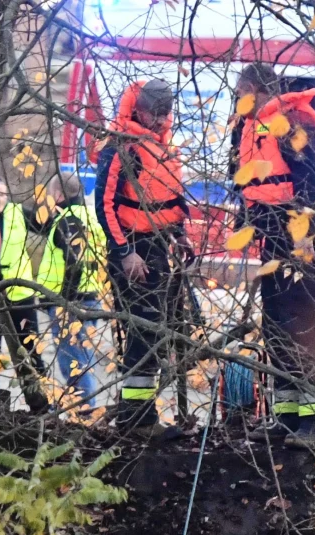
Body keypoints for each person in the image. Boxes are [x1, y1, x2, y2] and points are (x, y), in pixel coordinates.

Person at [230, 63, 315, 449]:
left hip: (301, 240)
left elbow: (310, 179)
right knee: (276, 325)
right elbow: (251, 186)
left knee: (303, 325)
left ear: (256, 89)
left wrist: (305, 235)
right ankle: (288, 417)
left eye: (241, 90)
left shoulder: (289, 122)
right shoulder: (252, 127)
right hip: (273, 240)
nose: (237, 97)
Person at [95, 79, 190, 440]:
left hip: (156, 246)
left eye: (165, 113)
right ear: (140, 110)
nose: (161, 119)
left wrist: (179, 235)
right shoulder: (120, 147)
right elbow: (104, 205)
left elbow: (171, 199)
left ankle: (140, 414)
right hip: (131, 248)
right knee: (142, 329)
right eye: (156, 112)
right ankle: (137, 420)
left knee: (153, 330)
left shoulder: (161, 147)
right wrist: (124, 253)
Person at [0, 174, 49, 412]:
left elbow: (47, 225)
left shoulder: (17, 212)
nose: (1, 200)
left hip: (20, 293)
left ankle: (41, 405)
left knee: (30, 349)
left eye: (4, 194)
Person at [37, 172, 108, 415]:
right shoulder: (91, 218)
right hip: (90, 297)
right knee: (82, 358)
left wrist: (62, 300)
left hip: (70, 302)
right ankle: (81, 409)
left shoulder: (67, 221)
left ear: (57, 194)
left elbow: (73, 262)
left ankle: (84, 414)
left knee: (73, 362)